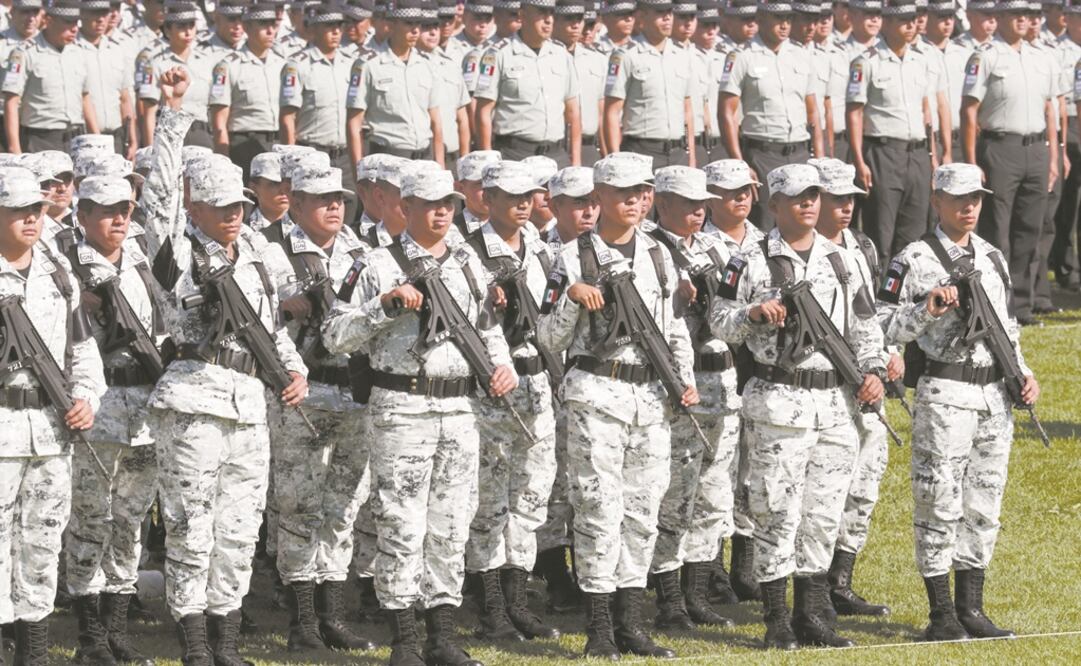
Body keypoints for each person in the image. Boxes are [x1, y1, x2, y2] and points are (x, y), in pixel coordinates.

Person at [138, 67, 308, 666]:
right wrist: (172, 118)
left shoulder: (256, 250)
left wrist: (294, 369)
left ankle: (227, 640)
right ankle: (193, 642)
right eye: (219, 206)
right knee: (191, 524)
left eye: (238, 205)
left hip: (249, 402)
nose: (233, 214)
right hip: (193, 399)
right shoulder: (177, 250)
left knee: (239, 527)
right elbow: (158, 199)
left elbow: (270, 325)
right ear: (195, 205)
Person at [322, 164, 515, 666]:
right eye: (430, 204)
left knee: (451, 525)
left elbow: (488, 328)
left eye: (448, 204)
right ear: (405, 207)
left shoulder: (467, 262)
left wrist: (504, 368)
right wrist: (384, 307)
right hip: (402, 407)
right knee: (401, 523)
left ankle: (442, 637)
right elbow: (334, 334)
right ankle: (404, 640)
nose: (442, 213)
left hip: (460, 407)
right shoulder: (375, 264)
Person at [710, 163, 885, 650]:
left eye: (814, 195)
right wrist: (752, 313)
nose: (809, 204)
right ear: (774, 205)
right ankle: (777, 618)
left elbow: (866, 326)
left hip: (835, 404)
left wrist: (873, 370)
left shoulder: (842, 260)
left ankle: (812, 614)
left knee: (823, 512)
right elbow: (719, 320)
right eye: (797, 197)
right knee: (777, 510)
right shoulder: (749, 260)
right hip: (779, 402)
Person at [537, 151, 696, 660]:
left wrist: (684, 381)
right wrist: (572, 298)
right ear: (600, 196)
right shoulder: (569, 257)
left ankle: (632, 623)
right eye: (624, 192)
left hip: (651, 398)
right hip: (597, 394)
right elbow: (547, 337)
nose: (635, 201)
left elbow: (674, 330)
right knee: (598, 510)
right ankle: (600, 626)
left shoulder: (659, 254)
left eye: (642, 192)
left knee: (643, 511)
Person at [876, 162, 1040, 641]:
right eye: (959, 199)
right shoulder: (913, 258)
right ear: (937, 202)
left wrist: (1024, 373)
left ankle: (972, 608)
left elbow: (1007, 327)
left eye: (976, 198)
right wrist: (926, 309)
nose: (969, 207)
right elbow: (882, 326)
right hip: (945, 394)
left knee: (983, 503)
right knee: (938, 501)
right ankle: (941, 613)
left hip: (994, 396)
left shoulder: (991, 256)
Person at [259, 163, 379, 654]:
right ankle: (302, 619)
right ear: (296, 202)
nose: (335, 206)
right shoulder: (270, 251)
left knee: (344, 507)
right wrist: (283, 308)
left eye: (341, 199)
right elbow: (247, 318)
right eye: (323, 198)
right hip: (302, 394)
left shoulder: (361, 252)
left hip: (352, 393)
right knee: (297, 507)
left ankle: (333, 614)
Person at [0, 164, 104, 666]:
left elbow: (81, 349)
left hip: (49, 429)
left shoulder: (57, 272)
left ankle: (34, 651)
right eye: (18, 210)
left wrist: (86, 398)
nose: (31, 219)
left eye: (36, 209)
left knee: (42, 542)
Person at [61, 175, 160, 666]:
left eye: (125, 209)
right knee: (89, 521)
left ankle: (117, 629)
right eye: (106, 210)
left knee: (129, 521)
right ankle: (90, 636)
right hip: (98, 410)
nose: (119, 218)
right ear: (82, 216)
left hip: (143, 407)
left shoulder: (141, 260)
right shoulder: (67, 268)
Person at [462, 160, 561, 643]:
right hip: (492, 390)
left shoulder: (542, 250)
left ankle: (517, 600)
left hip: (538, 383)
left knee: (530, 496)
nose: (523, 204)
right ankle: (491, 607)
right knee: (488, 501)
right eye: (512, 196)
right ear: (487, 198)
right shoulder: (468, 252)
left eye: (529, 196)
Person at [644, 165, 739, 631]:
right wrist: (680, 302)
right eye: (689, 203)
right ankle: (669, 598)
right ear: (662, 203)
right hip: (680, 384)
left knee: (714, 495)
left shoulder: (717, 248)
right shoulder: (649, 249)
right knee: (675, 496)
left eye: (703, 204)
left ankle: (699, 592)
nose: (699, 211)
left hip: (723, 382)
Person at [809, 156, 896, 617]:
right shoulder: (796, 251)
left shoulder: (862, 245)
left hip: (867, 382)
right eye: (836, 198)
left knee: (864, 483)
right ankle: (809, 586)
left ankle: (841, 580)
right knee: (818, 489)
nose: (846, 207)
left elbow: (871, 311)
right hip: (819, 384)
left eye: (850, 199)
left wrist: (886, 355)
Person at [960, 0, 1057, 326]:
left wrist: (1053, 156)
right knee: (997, 231)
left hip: (1036, 149)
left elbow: (1049, 109)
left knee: (1031, 229)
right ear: (999, 17)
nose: (1022, 20)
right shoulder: (986, 56)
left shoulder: (1040, 56)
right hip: (1001, 148)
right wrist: (971, 161)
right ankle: (995, 301)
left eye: (1027, 14)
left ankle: (1023, 305)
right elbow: (969, 109)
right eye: (1015, 14)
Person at [700, 158, 764, 603]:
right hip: (714, 365)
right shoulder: (697, 244)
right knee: (715, 468)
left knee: (752, 467)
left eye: (746, 190)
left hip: (757, 367)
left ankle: (747, 563)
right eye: (729, 191)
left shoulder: (766, 243)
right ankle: (712, 568)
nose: (740, 198)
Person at [846, 0, 936, 268]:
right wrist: (859, 161)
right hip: (883, 153)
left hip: (917, 154)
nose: (910, 26)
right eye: (903, 20)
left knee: (914, 237)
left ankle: (908, 291)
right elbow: (854, 113)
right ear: (886, 22)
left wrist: (932, 156)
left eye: (913, 20)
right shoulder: (867, 62)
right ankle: (878, 291)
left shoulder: (920, 60)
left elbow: (926, 112)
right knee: (881, 235)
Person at [718, 0, 823, 228]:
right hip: (763, 155)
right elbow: (726, 112)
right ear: (761, 19)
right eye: (778, 18)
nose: (784, 25)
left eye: (788, 19)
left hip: (800, 152)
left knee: (802, 226)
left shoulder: (801, 55)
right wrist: (739, 163)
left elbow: (813, 111)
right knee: (765, 226)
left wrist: (820, 158)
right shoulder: (742, 56)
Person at [474, 0, 582, 166]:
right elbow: (483, 111)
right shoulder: (497, 54)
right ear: (522, 15)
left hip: (556, 155)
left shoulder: (561, 55)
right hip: (515, 155)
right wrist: (488, 161)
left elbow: (573, 111)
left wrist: (575, 160)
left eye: (551, 13)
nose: (548, 20)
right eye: (541, 12)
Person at [346, 0, 445, 167]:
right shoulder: (367, 65)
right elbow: (354, 124)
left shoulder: (426, 65)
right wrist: (358, 173)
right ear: (391, 25)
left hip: (424, 159)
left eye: (418, 24)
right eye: (408, 23)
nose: (415, 30)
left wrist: (440, 166)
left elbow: (436, 121)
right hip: (388, 160)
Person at [603, 0, 697, 167]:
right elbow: (612, 112)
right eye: (660, 12)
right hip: (640, 151)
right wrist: (615, 159)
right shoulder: (626, 55)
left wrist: (691, 154)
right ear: (641, 16)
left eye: (669, 12)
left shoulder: (682, 55)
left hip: (678, 152)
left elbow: (687, 110)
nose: (667, 17)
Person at [2, 0, 97, 153]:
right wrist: (14, 148)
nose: (74, 29)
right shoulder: (25, 53)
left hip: (76, 137)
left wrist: (96, 138)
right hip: (40, 139)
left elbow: (85, 97)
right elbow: (11, 101)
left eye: (76, 23)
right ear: (49, 21)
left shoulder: (78, 53)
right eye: (68, 22)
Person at [209, 2, 288, 181]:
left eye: (273, 24)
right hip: (243, 146)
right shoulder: (228, 66)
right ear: (247, 27)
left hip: (278, 144)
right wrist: (224, 161)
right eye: (263, 24)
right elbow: (219, 120)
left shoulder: (283, 64)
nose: (270, 31)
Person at [280, 2, 356, 183]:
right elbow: (287, 118)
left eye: (339, 26)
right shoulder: (297, 65)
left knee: (350, 201)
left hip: (345, 157)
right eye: (329, 26)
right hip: (311, 154)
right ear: (314, 28)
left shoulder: (351, 64)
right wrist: (291, 163)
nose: (336, 31)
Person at [134, 1, 216, 147]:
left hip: (201, 132)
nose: (188, 32)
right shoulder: (155, 64)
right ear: (167, 30)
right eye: (181, 26)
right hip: (169, 133)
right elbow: (149, 113)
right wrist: (150, 150)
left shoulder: (206, 61)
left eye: (191, 25)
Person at [77, 0, 136, 159]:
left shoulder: (116, 50)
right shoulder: (72, 49)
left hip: (116, 137)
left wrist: (132, 138)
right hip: (84, 137)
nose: (101, 19)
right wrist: (97, 139)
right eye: (94, 13)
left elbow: (125, 97)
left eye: (104, 13)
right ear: (82, 14)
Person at [419, 0, 472, 172]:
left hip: (453, 158)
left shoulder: (450, 65)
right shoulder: (411, 67)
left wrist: (465, 161)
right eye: (426, 27)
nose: (433, 32)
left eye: (436, 26)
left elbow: (462, 118)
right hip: (424, 159)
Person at [1051, 0, 1081, 291]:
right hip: (1071, 122)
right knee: (1069, 202)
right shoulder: (1057, 50)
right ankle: (1066, 266)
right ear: (1067, 19)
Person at [450, 148, 502, 241]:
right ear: (460, 189)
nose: (490, 191)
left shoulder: (520, 227)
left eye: (495, 183)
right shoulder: (451, 234)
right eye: (481, 184)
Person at [248, 152, 291, 231]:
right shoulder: (242, 233)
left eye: (288, 182)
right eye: (275, 183)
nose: (284, 190)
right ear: (254, 188)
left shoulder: (308, 229)